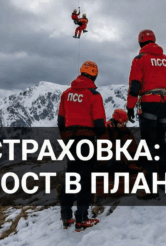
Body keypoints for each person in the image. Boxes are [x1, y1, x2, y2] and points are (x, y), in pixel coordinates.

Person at [126, 29, 166, 200]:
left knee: (148, 145)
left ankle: (150, 188)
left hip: (149, 104)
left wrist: (130, 107)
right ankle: (165, 179)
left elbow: (135, 86)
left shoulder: (140, 60)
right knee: (160, 141)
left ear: (141, 43)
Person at [57, 60, 106, 231]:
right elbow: (100, 125)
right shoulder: (94, 95)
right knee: (86, 179)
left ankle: (66, 217)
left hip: (71, 141)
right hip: (87, 141)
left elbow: (61, 122)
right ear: (94, 75)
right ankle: (82, 219)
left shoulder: (66, 94)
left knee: (71, 177)